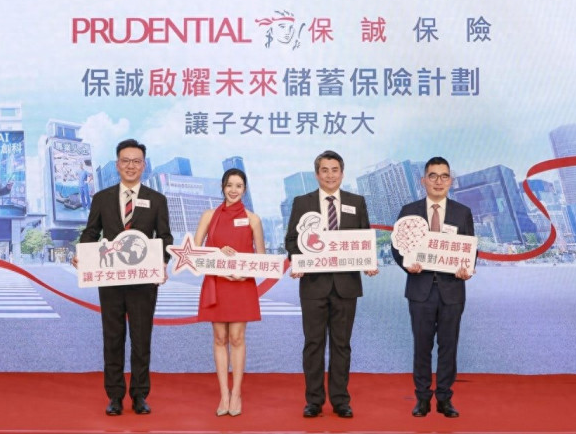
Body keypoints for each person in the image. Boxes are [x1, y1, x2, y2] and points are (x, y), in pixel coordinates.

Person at [73, 139, 173, 416]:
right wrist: (82, 253)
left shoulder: (157, 199)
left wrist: (162, 262)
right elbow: (91, 233)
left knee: (142, 340)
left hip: (143, 281)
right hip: (111, 280)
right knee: (113, 338)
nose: (131, 166)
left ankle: (140, 395)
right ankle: (115, 396)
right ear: (117, 165)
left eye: (136, 161)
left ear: (144, 165)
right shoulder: (102, 198)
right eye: (126, 161)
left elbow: (165, 237)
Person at [285, 150, 378, 419]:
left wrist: (368, 261)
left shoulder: (356, 202)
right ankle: (314, 401)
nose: (330, 175)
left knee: (342, 344)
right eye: (324, 170)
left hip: (346, 285)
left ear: (342, 173)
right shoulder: (302, 203)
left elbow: (363, 239)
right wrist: (298, 262)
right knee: (313, 344)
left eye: (334, 170)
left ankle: (340, 400)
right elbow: (291, 241)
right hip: (313, 285)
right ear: (317, 174)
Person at [391, 157, 475, 419]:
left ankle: (445, 399)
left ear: (451, 181)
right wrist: (407, 264)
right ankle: (422, 398)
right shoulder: (409, 211)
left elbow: (470, 249)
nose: (439, 181)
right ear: (423, 180)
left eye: (444, 176)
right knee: (422, 346)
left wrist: (466, 268)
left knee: (449, 347)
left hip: (452, 290)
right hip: (420, 289)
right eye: (433, 176)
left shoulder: (462, 212)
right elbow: (396, 246)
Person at [194, 168, 265, 417]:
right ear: (222, 187)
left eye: (239, 186)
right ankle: (224, 393)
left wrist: (245, 273)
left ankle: (236, 393)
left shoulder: (253, 219)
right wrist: (217, 254)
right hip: (216, 282)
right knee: (219, 338)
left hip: (241, 284)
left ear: (244, 189)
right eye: (229, 185)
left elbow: (261, 258)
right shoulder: (208, 215)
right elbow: (195, 253)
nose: (233, 190)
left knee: (236, 338)